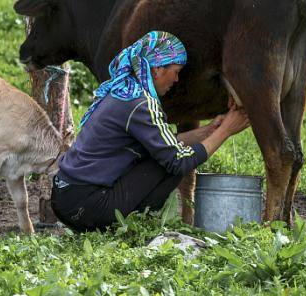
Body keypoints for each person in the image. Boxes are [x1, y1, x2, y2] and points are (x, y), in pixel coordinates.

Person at [51, 30, 250, 231]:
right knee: (169, 165)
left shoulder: (125, 93)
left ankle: (122, 223)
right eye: (176, 71)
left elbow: (165, 142)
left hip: (68, 199)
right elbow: (178, 160)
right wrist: (225, 131)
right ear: (156, 70)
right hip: (87, 205)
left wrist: (211, 129)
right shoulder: (141, 105)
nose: (177, 79)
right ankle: (132, 226)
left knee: (164, 154)